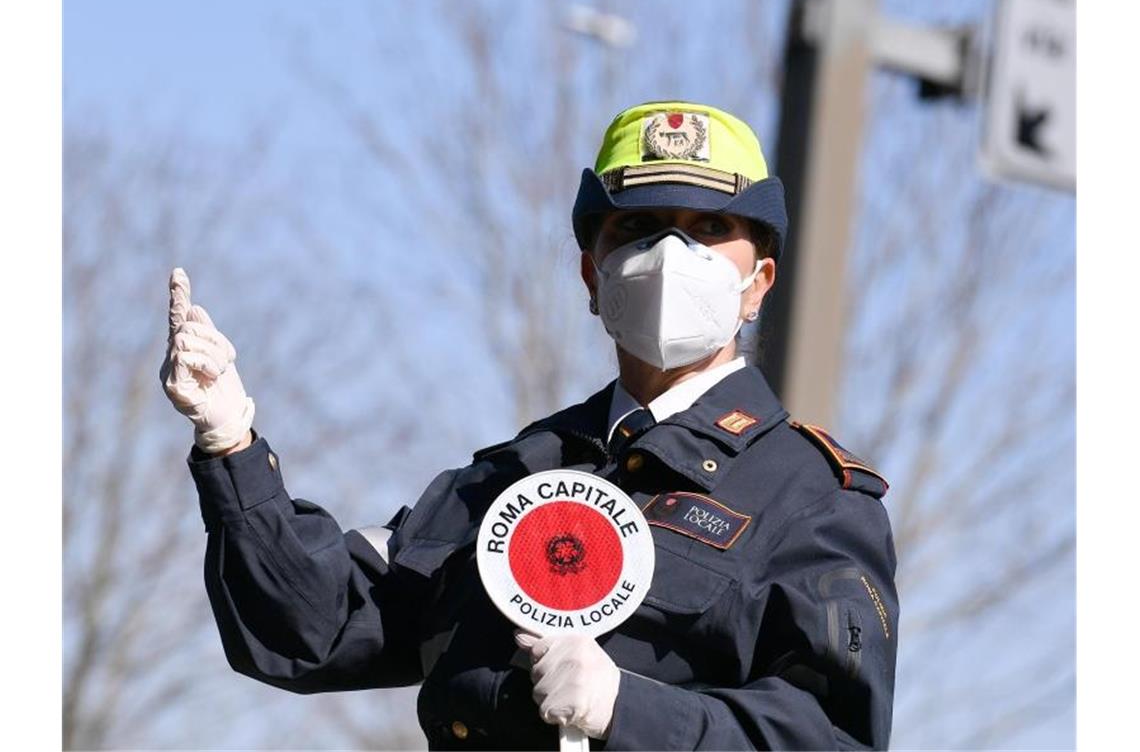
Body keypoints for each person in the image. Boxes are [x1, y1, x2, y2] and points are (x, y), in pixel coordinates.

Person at [162, 100, 899, 750]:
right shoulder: (511, 476)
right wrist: (232, 448)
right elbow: (309, 633)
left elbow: (832, 740)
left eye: (709, 228)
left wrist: (628, 712)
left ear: (757, 285)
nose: (672, 257)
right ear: (592, 274)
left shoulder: (810, 497)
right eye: (639, 227)